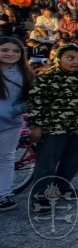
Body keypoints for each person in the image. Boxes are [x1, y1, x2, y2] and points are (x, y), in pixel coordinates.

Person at [27, 44, 78, 211]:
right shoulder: (47, 77)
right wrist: (36, 125)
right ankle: (40, 198)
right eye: (70, 58)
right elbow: (36, 103)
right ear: (59, 58)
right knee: (47, 164)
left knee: (74, 160)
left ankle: (60, 188)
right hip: (53, 129)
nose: (76, 62)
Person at [0, 37, 33, 211]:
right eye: (5, 50)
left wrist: (11, 111)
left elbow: (32, 99)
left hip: (10, 123)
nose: (10, 54)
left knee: (6, 158)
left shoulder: (25, 74)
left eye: (16, 51)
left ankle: (3, 194)